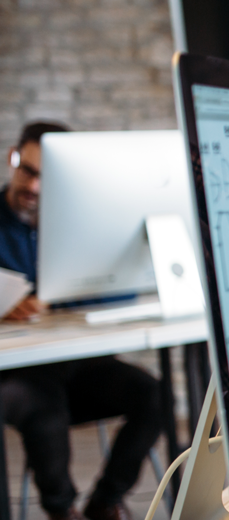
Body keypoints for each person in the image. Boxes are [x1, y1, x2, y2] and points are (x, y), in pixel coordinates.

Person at [0, 122, 165, 520]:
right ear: (13, 159)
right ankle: (62, 512)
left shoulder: (84, 223)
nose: (34, 188)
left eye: (47, 178)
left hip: (82, 365)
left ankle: (104, 502)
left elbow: (124, 285)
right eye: (28, 172)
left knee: (155, 396)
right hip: (17, 373)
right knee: (42, 406)